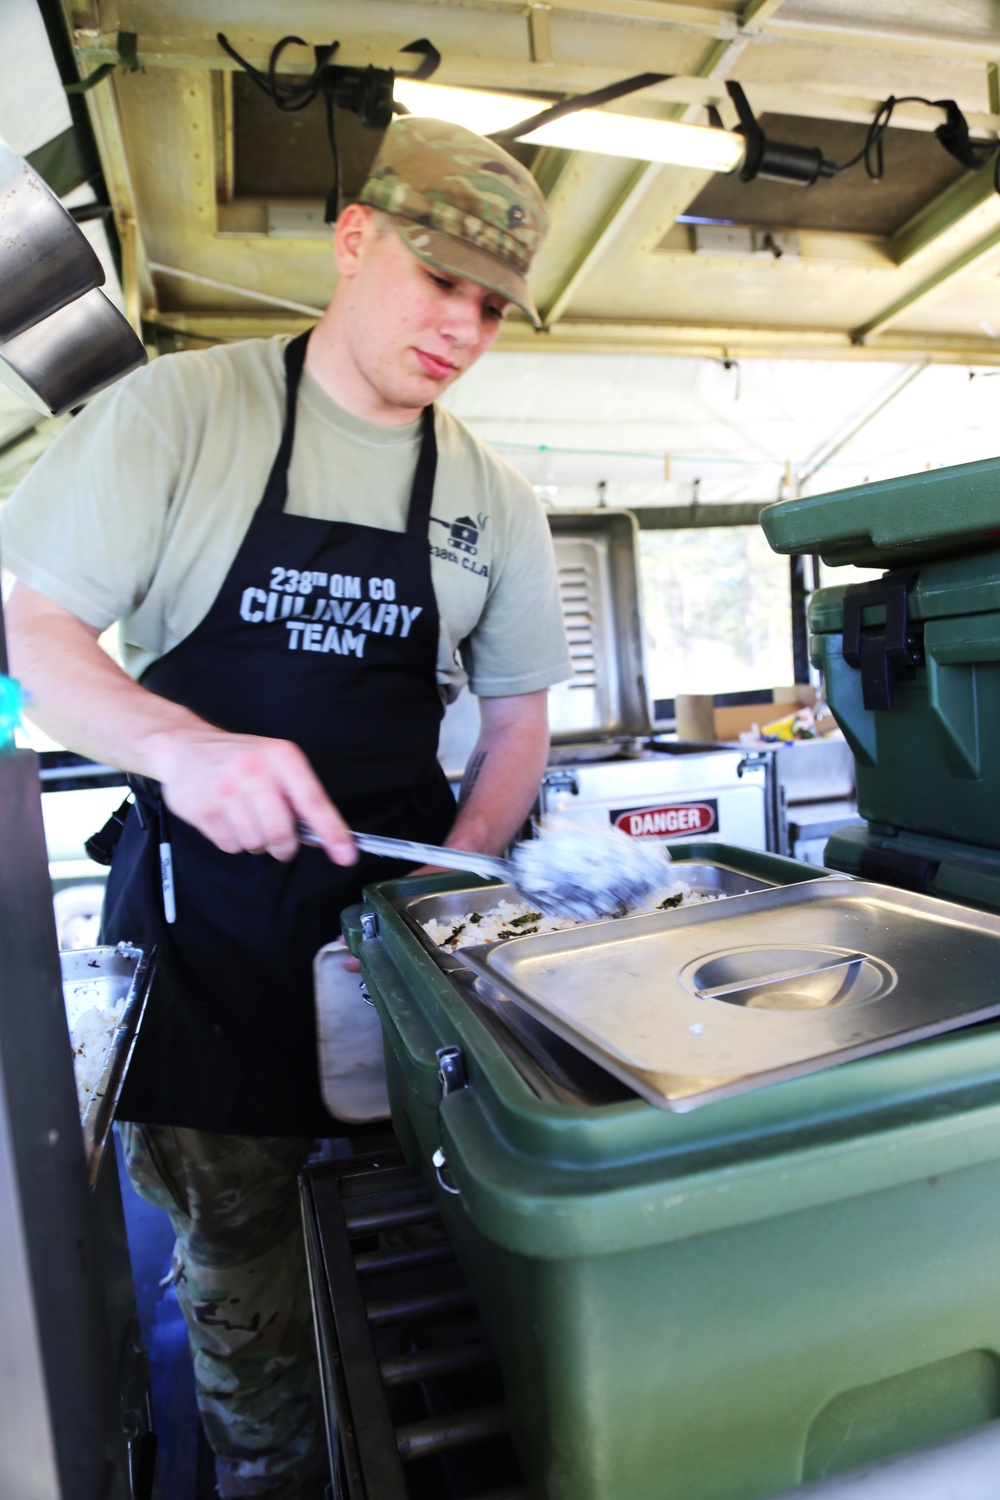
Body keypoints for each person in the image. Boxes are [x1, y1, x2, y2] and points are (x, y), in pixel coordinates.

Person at [1, 116, 572, 1499]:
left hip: (404, 947)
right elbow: (35, 633)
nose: (465, 327)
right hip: (214, 941)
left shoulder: (494, 500)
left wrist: (457, 876)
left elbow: (516, 725)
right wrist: (181, 747)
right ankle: (269, 1473)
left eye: (493, 305)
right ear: (356, 239)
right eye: (442, 280)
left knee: (438, 1240)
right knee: (242, 1270)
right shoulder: (179, 416)